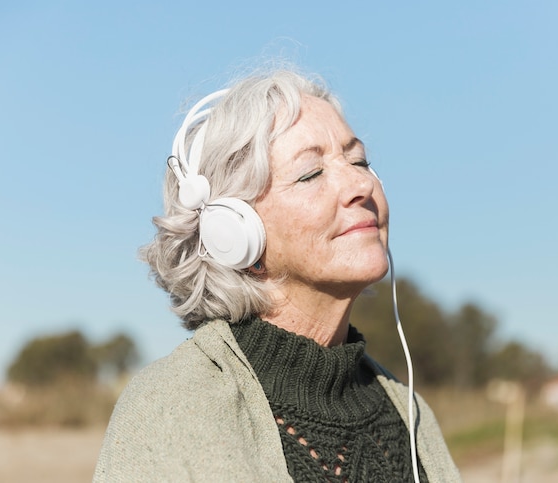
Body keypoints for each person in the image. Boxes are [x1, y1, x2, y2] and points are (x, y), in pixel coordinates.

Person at [94, 68, 461, 482]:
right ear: (233, 233)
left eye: (359, 160)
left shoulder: (408, 413)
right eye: (310, 173)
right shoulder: (169, 408)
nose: (360, 183)